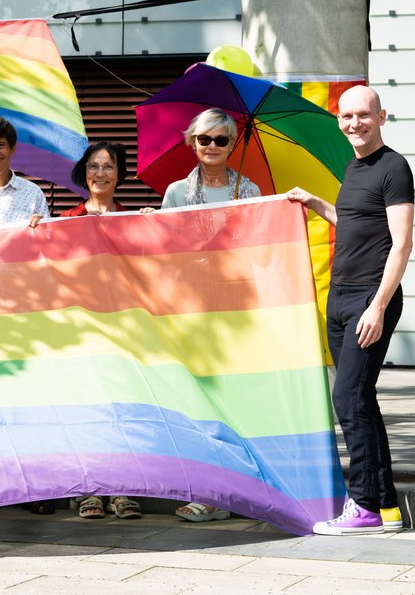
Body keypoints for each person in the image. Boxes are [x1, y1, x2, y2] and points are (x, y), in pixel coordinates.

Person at [288, 85, 414, 536]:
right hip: (339, 298)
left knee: (346, 398)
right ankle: (386, 507)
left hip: (368, 299)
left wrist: (378, 307)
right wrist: (315, 203)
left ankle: (361, 506)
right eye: (346, 117)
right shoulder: (353, 166)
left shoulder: (393, 167)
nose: (354, 123)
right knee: (360, 399)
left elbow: (401, 244)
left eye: (363, 115)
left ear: (381, 117)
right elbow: (357, 223)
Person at [142, 108, 260, 523]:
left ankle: (239, 490)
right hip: (190, 313)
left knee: (237, 403)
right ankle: (210, 490)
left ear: (233, 146)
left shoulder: (249, 190)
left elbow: (258, 254)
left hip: (234, 314)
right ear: (192, 143)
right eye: (204, 139)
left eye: (221, 140)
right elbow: (165, 254)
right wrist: (151, 227)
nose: (212, 147)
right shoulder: (176, 192)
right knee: (202, 403)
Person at [58, 141, 141, 521]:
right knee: (88, 412)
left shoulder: (130, 219)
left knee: (122, 411)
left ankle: (122, 490)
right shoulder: (68, 219)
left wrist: (151, 227)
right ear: (84, 172)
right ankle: (89, 491)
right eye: (93, 166)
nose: (100, 174)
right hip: (81, 331)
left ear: (119, 174)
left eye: (108, 167)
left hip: (121, 331)